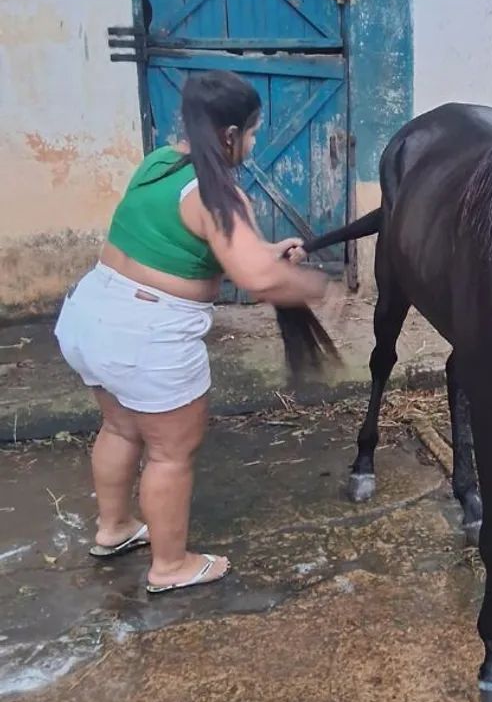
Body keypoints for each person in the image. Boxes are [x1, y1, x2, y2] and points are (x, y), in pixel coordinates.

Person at [55, 70, 331, 593]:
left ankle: (113, 529)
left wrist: (265, 254)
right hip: (144, 336)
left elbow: (205, 251)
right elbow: (259, 280)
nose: (252, 143)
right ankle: (170, 565)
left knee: (119, 428)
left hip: (90, 315)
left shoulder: (158, 166)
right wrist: (317, 288)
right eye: (252, 133)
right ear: (230, 135)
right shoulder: (217, 195)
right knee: (169, 454)